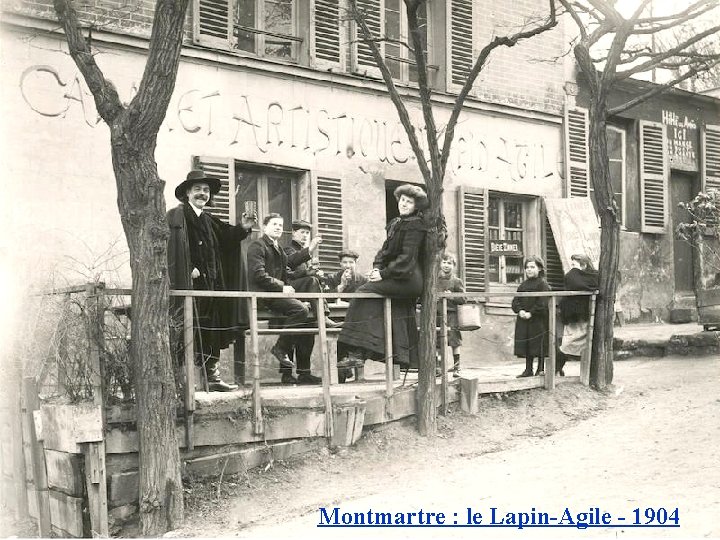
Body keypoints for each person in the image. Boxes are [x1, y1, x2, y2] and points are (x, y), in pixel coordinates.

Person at [167, 169, 256, 392]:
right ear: (187, 193)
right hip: (188, 287)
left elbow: (228, 238)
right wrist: (187, 269)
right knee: (185, 330)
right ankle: (179, 380)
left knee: (211, 330)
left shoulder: (209, 220)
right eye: (197, 189)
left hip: (212, 286)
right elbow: (171, 249)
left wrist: (243, 227)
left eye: (206, 190)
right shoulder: (176, 218)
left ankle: (212, 377)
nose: (202, 194)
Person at [337, 184, 428, 370]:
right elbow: (383, 253)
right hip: (396, 276)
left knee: (364, 292)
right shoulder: (396, 223)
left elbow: (407, 258)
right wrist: (376, 270)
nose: (404, 204)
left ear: (415, 206)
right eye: (402, 200)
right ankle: (387, 355)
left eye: (409, 202)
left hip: (409, 279)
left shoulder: (416, 225)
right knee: (376, 297)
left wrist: (384, 274)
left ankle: (356, 351)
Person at [247, 213, 319, 385]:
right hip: (264, 295)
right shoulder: (258, 245)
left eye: (280, 225)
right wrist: (282, 287)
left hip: (276, 294)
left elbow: (288, 270)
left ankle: (298, 370)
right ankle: (280, 348)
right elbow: (258, 275)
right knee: (300, 310)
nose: (278, 227)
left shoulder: (277, 248)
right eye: (274, 224)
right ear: (264, 227)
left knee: (305, 312)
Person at [283, 219, 337, 328]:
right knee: (312, 280)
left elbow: (303, 274)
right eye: (302, 232)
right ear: (293, 232)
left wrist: (314, 273)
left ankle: (322, 317)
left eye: (307, 233)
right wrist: (308, 272)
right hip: (289, 289)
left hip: (303, 295)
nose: (305, 236)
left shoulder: (304, 253)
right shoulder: (288, 249)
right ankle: (323, 318)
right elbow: (291, 267)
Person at [557, 253, 599, 376]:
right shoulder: (577, 277)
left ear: (584, 265)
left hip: (586, 317)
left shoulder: (592, 276)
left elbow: (574, 281)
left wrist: (574, 271)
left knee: (586, 345)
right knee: (566, 344)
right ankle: (557, 369)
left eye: (574, 265)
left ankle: (587, 375)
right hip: (574, 317)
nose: (572, 269)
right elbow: (571, 281)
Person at [512, 256, 550, 378]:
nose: (529, 270)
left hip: (538, 319)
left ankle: (540, 369)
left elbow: (542, 302)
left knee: (538, 343)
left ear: (539, 268)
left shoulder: (543, 285)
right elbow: (515, 301)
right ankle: (528, 369)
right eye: (527, 267)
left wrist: (531, 312)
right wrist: (520, 311)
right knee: (527, 343)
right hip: (524, 319)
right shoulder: (522, 285)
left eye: (532, 267)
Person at [436, 253, 466, 377]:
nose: (446, 265)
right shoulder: (434, 280)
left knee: (454, 341)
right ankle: (438, 368)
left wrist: (452, 297)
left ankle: (457, 367)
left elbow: (463, 299)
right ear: (440, 264)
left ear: (453, 266)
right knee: (437, 341)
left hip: (451, 315)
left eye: (449, 263)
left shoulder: (456, 281)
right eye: (444, 262)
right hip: (437, 314)